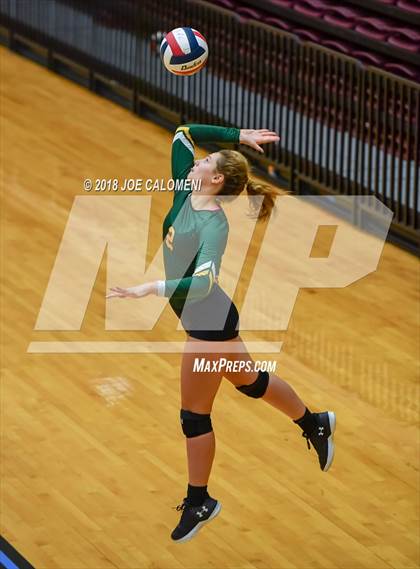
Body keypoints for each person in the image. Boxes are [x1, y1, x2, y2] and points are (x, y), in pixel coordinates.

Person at [107, 124, 336, 544]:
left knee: (194, 416)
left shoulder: (214, 226)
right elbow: (182, 131)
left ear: (215, 181)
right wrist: (235, 135)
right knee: (250, 382)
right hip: (211, 319)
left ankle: (200, 501)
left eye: (207, 161)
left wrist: (150, 287)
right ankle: (314, 422)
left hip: (208, 323)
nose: (198, 159)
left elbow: (203, 284)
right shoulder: (185, 185)